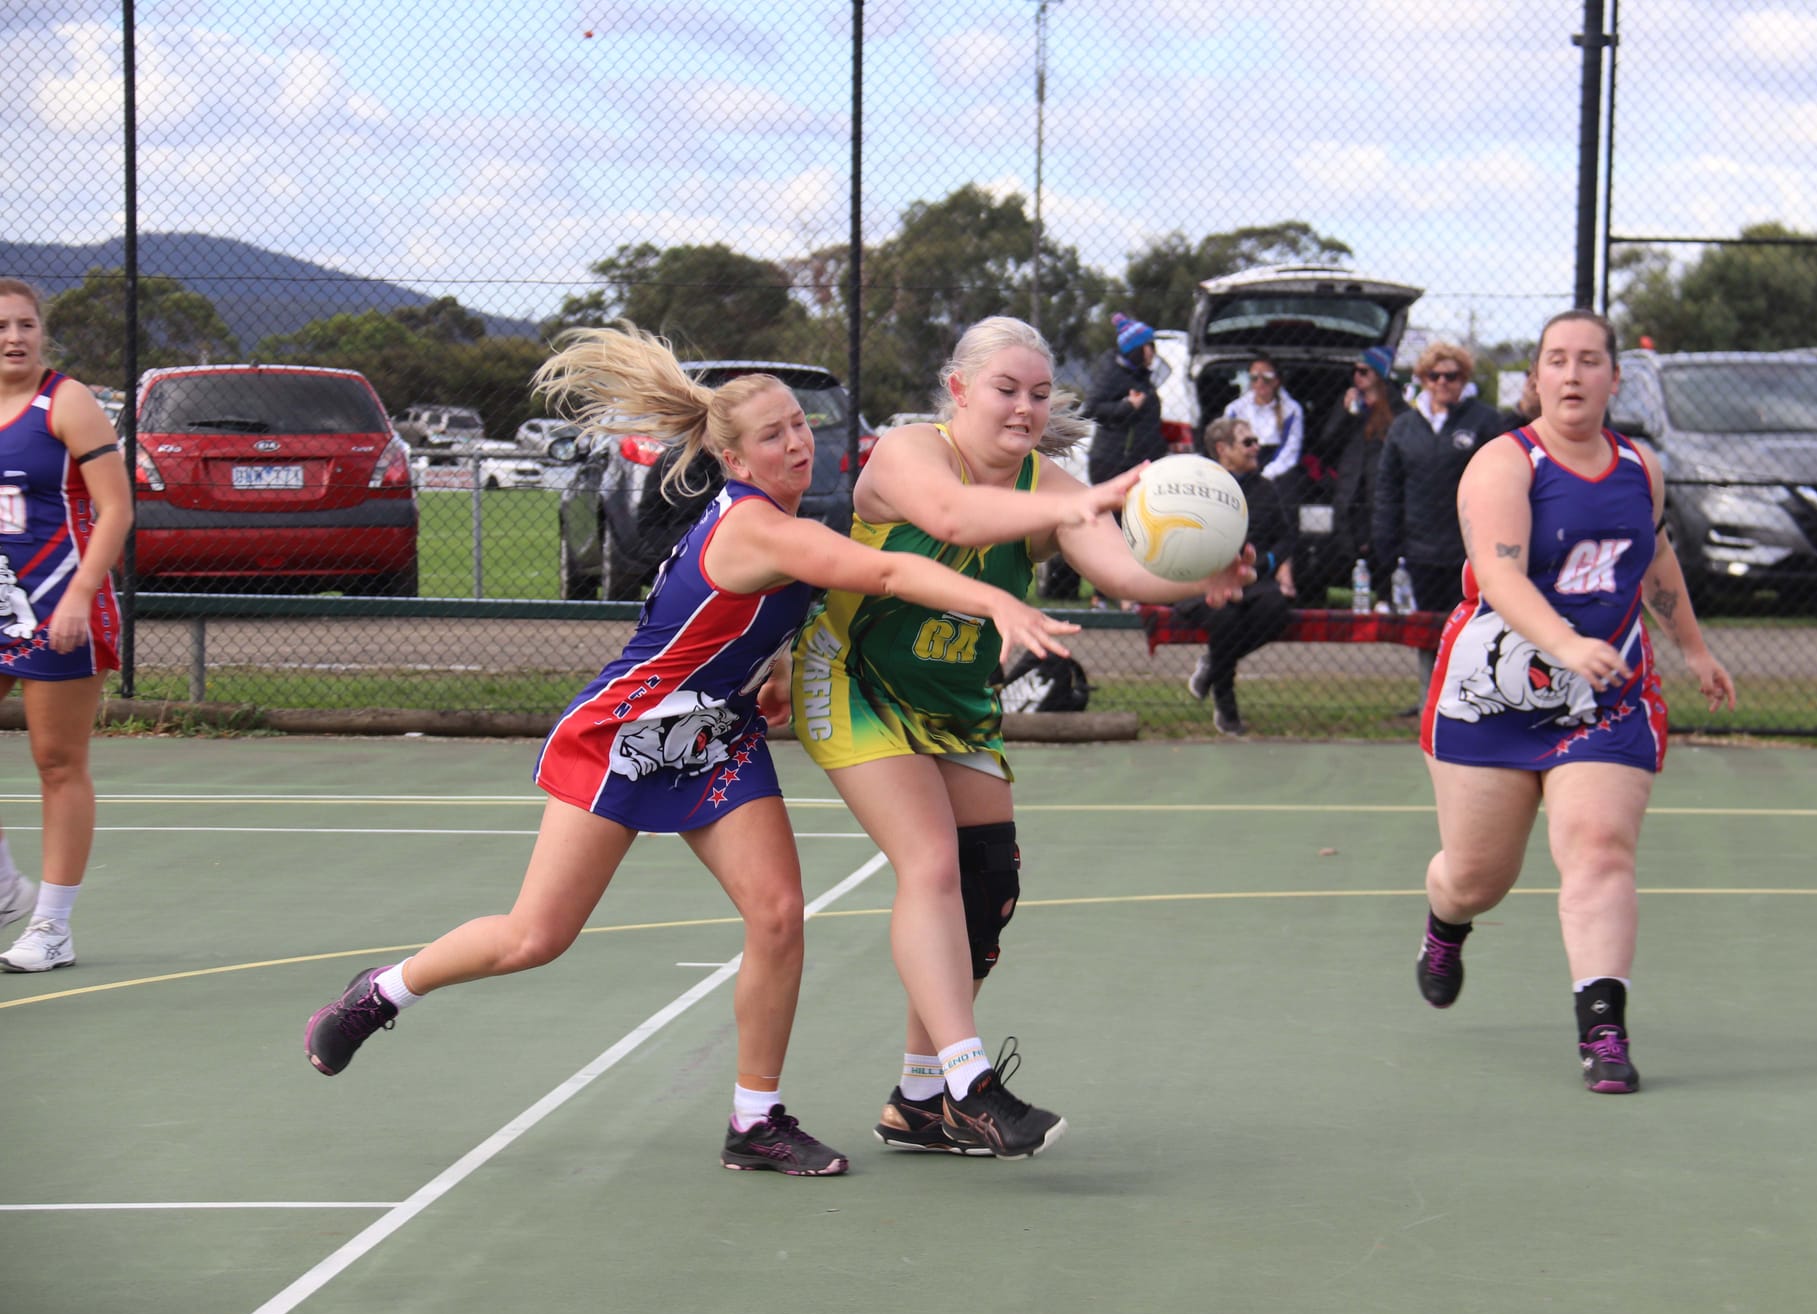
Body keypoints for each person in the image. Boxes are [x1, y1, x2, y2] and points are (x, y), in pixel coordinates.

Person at [302, 323, 1085, 1178]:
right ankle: (382, 991)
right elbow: (887, 575)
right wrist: (997, 604)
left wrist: (779, 663)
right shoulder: (757, 528)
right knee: (536, 935)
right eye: (773, 434)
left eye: (801, 424)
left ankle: (756, 1120)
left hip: (714, 732)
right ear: (735, 460)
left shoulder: (787, 519)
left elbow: (773, 615)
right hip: (632, 730)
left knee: (780, 916)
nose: (797, 442)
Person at [787, 315, 1250, 1159]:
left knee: (986, 888)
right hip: (856, 678)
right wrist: (1075, 499)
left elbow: (1118, 570)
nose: (1024, 408)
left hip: (954, 692)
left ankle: (918, 1100)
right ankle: (971, 1085)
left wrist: (1194, 577)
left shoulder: (1052, 483)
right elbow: (955, 518)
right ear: (958, 388)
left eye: (1039, 394)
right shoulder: (907, 455)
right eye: (1006, 389)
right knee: (930, 861)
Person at [1412, 309, 1737, 1095]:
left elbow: (1653, 555)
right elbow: (1501, 578)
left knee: (1597, 846)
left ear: (1613, 378)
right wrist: (1561, 643)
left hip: (1607, 692)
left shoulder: (1639, 467)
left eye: (1589, 360)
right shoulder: (1502, 465)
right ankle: (1446, 925)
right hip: (1495, 694)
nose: (1571, 374)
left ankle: (1602, 1027)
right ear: (1535, 379)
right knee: (1479, 876)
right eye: (1556, 360)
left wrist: (1692, 645)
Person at [0, 278, 132, 974]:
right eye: (1, 326)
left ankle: (51, 925)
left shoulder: (67, 401)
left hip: (58, 606)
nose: (15, 337)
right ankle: (4, 887)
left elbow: (117, 507)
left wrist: (81, 594)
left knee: (57, 761)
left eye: (25, 324)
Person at [1373, 341, 1506, 706]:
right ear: (1424, 379)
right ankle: (1430, 697)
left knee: (1471, 626)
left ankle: (1475, 696)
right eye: (1436, 375)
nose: (1444, 382)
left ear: (1464, 379)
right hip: (1419, 547)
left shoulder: (1485, 421)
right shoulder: (1403, 427)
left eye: (1453, 376)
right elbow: (1388, 488)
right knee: (1427, 628)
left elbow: (1500, 482)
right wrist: (1386, 542)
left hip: (1469, 549)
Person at [1183, 417, 1298, 735]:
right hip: (1204, 581)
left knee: (1276, 611)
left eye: (1256, 441)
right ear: (1223, 449)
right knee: (1225, 618)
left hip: (1253, 581)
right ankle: (1226, 707)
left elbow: (1286, 538)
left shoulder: (1265, 488)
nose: (1256, 448)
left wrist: (1262, 566)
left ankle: (1211, 666)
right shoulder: (1198, 488)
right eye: (1247, 442)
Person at [1310, 344, 1407, 600]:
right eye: (1354, 371)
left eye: (1364, 371)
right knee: (1346, 540)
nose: (1357, 377)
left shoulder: (1397, 406)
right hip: (1350, 482)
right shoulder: (1350, 403)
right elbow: (1328, 442)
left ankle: (1386, 595)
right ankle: (1347, 590)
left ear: (1378, 374)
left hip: (1379, 482)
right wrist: (1346, 412)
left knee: (1381, 538)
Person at [1083, 312, 1165, 485]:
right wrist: (1127, 406)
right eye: (1150, 346)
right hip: (1114, 464)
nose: (1153, 352)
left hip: (1134, 461)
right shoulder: (1113, 373)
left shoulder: (1139, 376)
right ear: (1138, 349)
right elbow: (1092, 408)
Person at [1221, 354, 1305, 482]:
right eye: (1254, 378)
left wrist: (1270, 472)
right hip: (1244, 458)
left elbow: (1291, 447)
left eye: (1266, 378)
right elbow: (1228, 444)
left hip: (1277, 460)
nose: (1260, 383)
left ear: (1276, 381)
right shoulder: (1235, 409)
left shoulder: (1291, 410)